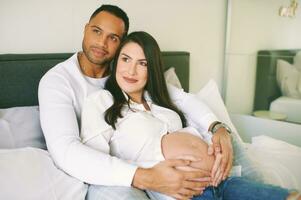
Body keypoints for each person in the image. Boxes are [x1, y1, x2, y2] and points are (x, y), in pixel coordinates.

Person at [38, 4, 234, 200]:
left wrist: (217, 127)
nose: (101, 43)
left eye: (113, 38)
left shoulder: (130, 76)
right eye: (96, 31)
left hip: (195, 173)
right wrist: (145, 177)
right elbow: (65, 150)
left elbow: (182, 99)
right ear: (85, 29)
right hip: (109, 172)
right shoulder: (58, 81)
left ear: (121, 43)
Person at [80, 31, 300, 200]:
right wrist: (144, 175)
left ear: (152, 69)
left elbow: (189, 101)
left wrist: (218, 128)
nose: (131, 71)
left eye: (142, 63)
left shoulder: (159, 98)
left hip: (224, 181)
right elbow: (96, 162)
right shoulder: (101, 101)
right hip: (186, 192)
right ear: (116, 61)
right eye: (126, 59)